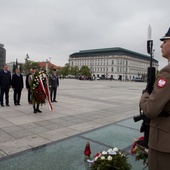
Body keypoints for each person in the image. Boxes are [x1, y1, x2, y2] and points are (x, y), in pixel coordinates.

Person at [139, 27, 170, 170]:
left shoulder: (167, 72)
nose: (161, 45)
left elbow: (150, 110)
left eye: (164, 41)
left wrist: (145, 94)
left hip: (163, 141)